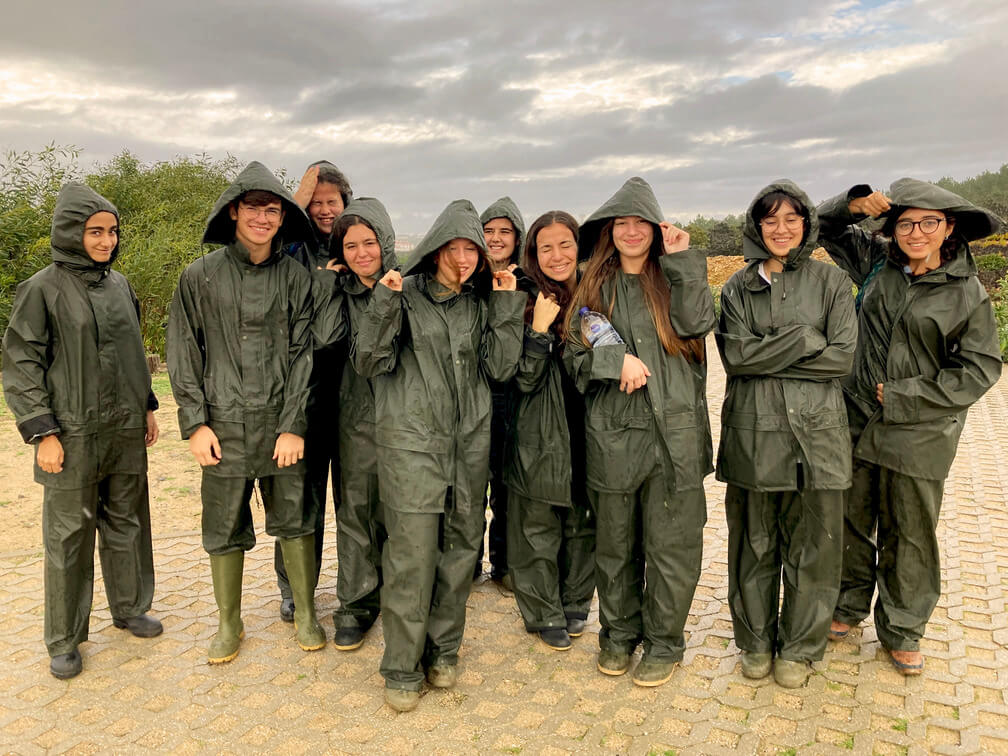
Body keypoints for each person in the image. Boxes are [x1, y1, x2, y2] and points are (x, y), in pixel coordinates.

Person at [817, 178, 1003, 674]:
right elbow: (822, 228)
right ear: (892, 228)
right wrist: (851, 203)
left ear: (949, 228)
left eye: (929, 222)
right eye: (906, 223)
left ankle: (902, 627)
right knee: (852, 520)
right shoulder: (876, 262)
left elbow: (980, 368)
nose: (916, 232)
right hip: (857, 421)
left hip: (921, 432)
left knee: (910, 531)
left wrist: (907, 395)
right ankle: (847, 605)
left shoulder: (966, 293)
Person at [353, 199, 525, 712]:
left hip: (468, 445)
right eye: (453, 247)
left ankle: (444, 651)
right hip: (411, 445)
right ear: (434, 248)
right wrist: (383, 303)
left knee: (459, 553)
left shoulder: (481, 301)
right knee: (410, 558)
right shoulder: (404, 296)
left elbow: (501, 369)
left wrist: (507, 306)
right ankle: (401, 667)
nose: (464, 257)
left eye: (471, 248)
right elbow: (368, 359)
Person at [166, 161, 325, 663]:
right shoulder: (199, 276)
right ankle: (228, 622)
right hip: (223, 426)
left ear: (282, 219)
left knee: (295, 520)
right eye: (254, 207)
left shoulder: (298, 279)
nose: (263, 217)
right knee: (222, 524)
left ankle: (304, 612)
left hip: (283, 427)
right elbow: (183, 353)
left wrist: (293, 425)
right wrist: (195, 423)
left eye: (273, 209)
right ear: (234, 211)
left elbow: (307, 355)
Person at [2, 182, 162, 679]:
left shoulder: (120, 285)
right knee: (69, 536)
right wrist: (41, 433)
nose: (106, 240)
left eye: (112, 231)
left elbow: (134, 351)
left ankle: (130, 607)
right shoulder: (41, 288)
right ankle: (65, 638)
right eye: (95, 231)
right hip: (69, 433)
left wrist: (149, 407)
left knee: (127, 522)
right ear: (71, 231)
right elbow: (21, 363)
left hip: (122, 427)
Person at [564, 176, 715, 688]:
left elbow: (697, 325)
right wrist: (615, 358)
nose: (631, 232)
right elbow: (572, 355)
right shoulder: (592, 288)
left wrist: (684, 261)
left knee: (672, 549)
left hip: (676, 436)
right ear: (609, 230)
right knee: (615, 546)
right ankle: (618, 635)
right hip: (614, 437)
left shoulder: (675, 277)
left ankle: (666, 642)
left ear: (656, 228)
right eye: (621, 223)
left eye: (640, 223)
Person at [714, 180, 857, 687]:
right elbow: (736, 357)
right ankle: (754, 641)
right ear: (756, 226)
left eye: (791, 219)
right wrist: (802, 338)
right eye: (770, 220)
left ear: (806, 225)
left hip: (819, 435)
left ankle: (798, 648)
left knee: (814, 548)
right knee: (754, 544)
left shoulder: (833, 283)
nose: (780, 229)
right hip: (755, 433)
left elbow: (842, 358)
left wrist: (769, 352)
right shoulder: (737, 287)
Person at [504, 211, 595, 651]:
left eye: (565, 244)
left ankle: (576, 599)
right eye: (546, 248)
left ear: (579, 248)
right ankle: (542, 610)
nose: (557, 256)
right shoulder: (521, 298)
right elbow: (519, 379)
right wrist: (538, 330)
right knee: (537, 524)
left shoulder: (596, 295)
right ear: (533, 254)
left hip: (588, 421)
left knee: (583, 518)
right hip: (537, 426)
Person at [312, 197, 398, 650]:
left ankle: (402, 596)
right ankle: (356, 604)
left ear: (384, 240)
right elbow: (326, 339)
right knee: (356, 512)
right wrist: (328, 287)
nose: (362, 253)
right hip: (356, 416)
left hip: (405, 416)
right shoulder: (341, 292)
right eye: (350, 246)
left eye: (369, 242)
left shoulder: (409, 286)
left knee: (401, 514)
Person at [273, 160, 353, 623]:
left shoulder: (358, 244)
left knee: (354, 502)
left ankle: (356, 586)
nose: (324, 210)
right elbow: (280, 224)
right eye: (316, 202)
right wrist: (302, 187)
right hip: (300, 394)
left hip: (351, 396)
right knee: (299, 500)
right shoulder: (291, 249)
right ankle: (295, 588)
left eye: (332, 201)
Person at [477, 196, 527, 585]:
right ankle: (467, 563)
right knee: (471, 484)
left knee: (507, 486)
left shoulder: (527, 282)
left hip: (514, 396)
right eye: (488, 231)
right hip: (473, 395)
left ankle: (505, 565)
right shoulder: (469, 280)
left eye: (504, 232)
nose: (495, 239)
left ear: (517, 237)